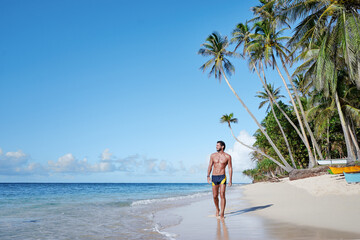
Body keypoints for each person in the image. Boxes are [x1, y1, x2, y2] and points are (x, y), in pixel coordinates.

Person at [207, 140, 232, 219]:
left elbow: (230, 168)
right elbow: (210, 166)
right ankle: (217, 209)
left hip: (222, 177)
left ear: (222, 147)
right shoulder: (213, 155)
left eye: (218, 145)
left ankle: (222, 214)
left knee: (222, 194)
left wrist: (230, 180)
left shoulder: (227, 156)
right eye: (216, 145)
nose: (216, 146)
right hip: (214, 176)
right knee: (215, 196)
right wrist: (208, 176)